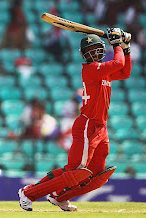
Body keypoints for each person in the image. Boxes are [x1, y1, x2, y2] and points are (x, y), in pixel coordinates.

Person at [18, 28, 132, 212]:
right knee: (74, 171)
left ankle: (60, 197)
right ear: (84, 55)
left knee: (95, 174)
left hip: (101, 127)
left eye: (97, 49)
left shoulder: (104, 71)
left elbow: (125, 71)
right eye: (90, 51)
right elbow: (118, 63)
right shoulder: (92, 69)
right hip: (87, 124)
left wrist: (125, 47)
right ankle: (28, 192)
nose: (94, 53)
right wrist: (118, 44)